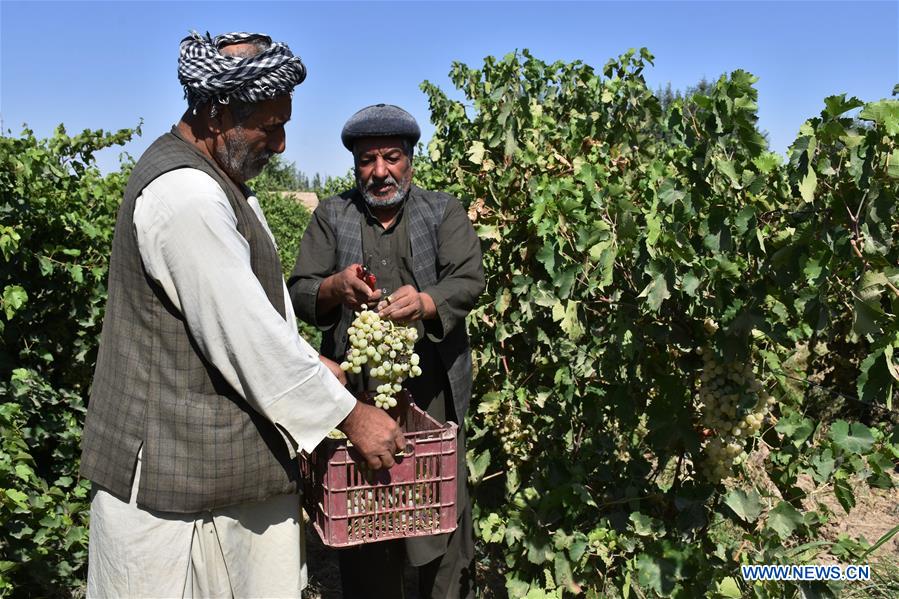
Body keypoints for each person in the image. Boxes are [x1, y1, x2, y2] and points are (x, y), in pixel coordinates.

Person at [79, 32, 403, 598]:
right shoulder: (186, 197)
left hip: (213, 479)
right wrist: (352, 415)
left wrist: (309, 362)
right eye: (270, 126)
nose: (280, 145)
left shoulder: (222, 185)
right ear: (215, 113)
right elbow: (248, 341)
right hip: (175, 489)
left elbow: (252, 312)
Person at [288, 104, 485, 598]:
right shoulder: (333, 216)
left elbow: (468, 279)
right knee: (367, 524)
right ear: (355, 165)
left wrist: (425, 302)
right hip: (357, 399)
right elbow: (300, 292)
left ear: (410, 161)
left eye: (391, 158)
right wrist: (334, 286)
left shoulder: (441, 211)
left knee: (437, 517)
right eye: (367, 160)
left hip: (430, 394)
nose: (380, 172)